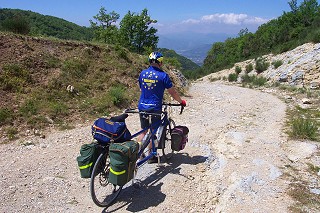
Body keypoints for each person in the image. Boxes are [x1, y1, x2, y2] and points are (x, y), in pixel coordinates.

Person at [137, 51, 186, 163]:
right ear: (160, 62)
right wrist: (181, 101)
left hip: (142, 106)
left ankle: (137, 151)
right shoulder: (163, 76)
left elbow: (141, 88)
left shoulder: (142, 73)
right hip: (155, 107)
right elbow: (173, 93)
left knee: (143, 131)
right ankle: (151, 155)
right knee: (154, 130)